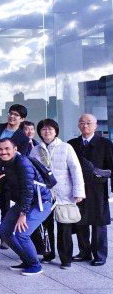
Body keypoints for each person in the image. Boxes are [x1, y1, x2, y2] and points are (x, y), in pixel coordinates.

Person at [30, 119, 85, 269]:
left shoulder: (66, 147)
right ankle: (48, 254)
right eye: (43, 129)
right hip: (44, 195)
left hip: (64, 193)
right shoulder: (35, 150)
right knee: (46, 227)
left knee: (64, 227)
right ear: (40, 132)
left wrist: (78, 192)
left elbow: (76, 170)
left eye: (50, 129)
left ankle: (66, 259)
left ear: (56, 131)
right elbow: (31, 172)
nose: (46, 132)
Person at [0, 138, 52, 276]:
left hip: (40, 202)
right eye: (0, 149)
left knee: (22, 233)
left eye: (7, 149)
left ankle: (35, 265)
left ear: (15, 149)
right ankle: (27, 260)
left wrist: (23, 214)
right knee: (4, 231)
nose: (3, 152)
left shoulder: (23, 163)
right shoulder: (3, 164)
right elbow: (0, 189)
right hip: (25, 202)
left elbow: (28, 189)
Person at [68, 114, 111, 266]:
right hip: (78, 189)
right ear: (78, 125)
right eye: (82, 123)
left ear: (95, 125)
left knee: (99, 223)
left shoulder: (105, 144)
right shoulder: (72, 144)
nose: (85, 126)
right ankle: (84, 252)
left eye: (88, 123)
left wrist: (98, 171)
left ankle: (99, 255)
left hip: (98, 190)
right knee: (80, 221)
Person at [0, 104, 31, 249]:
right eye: (11, 113)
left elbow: (20, 157)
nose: (12, 117)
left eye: (16, 115)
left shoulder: (23, 138)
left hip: (8, 175)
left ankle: (4, 236)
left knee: (5, 206)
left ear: (22, 119)